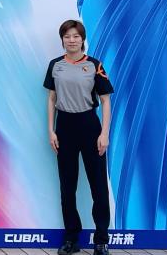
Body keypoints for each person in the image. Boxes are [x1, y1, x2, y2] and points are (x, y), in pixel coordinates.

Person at [43, 19, 114, 255]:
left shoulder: (95, 65)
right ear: (62, 40)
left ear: (82, 39)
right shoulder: (55, 65)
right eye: (67, 36)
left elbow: (105, 100)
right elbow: (52, 98)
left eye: (76, 36)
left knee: (98, 187)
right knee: (67, 186)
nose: (71, 40)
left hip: (89, 126)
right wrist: (51, 130)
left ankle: (101, 240)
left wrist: (104, 133)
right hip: (65, 127)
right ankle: (71, 238)